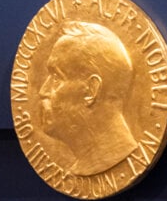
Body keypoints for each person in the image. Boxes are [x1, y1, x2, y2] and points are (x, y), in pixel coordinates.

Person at [38, 21, 138, 176]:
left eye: (57, 77)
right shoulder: (79, 168)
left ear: (91, 90)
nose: (42, 91)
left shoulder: (117, 156)